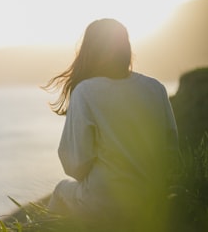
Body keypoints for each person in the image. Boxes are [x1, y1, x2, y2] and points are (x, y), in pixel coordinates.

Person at [44, 19, 179, 230]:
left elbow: (75, 166)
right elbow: (171, 152)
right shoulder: (156, 88)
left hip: (107, 204)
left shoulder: (86, 91)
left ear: (89, 51)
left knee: (61, 190)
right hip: (153, 200)